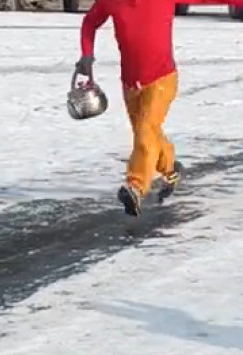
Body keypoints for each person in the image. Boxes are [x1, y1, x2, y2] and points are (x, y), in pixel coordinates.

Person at [76, 0, 185, 216]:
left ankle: (135, 187)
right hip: (130, 81)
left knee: (145, 131)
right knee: (147, 132)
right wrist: (86, 54)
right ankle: (169, 167)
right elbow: (90, 22)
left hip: (162, 79)